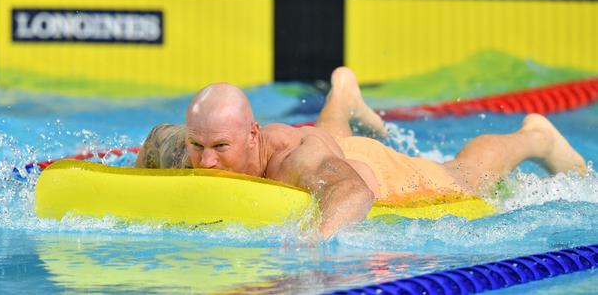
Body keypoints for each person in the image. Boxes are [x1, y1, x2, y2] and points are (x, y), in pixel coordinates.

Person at [137, 67, 588, 239]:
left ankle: (534, 136)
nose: (207, 161)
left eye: (220, 147)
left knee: (465, 174)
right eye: (198, 146)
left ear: (252, 136)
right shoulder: (191, 147)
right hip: (330, 148)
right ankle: (343, 91)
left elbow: (352, 192)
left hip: (375, 174)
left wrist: (312, 243)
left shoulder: (294, 161)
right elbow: (156, 140)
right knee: (328, 137)